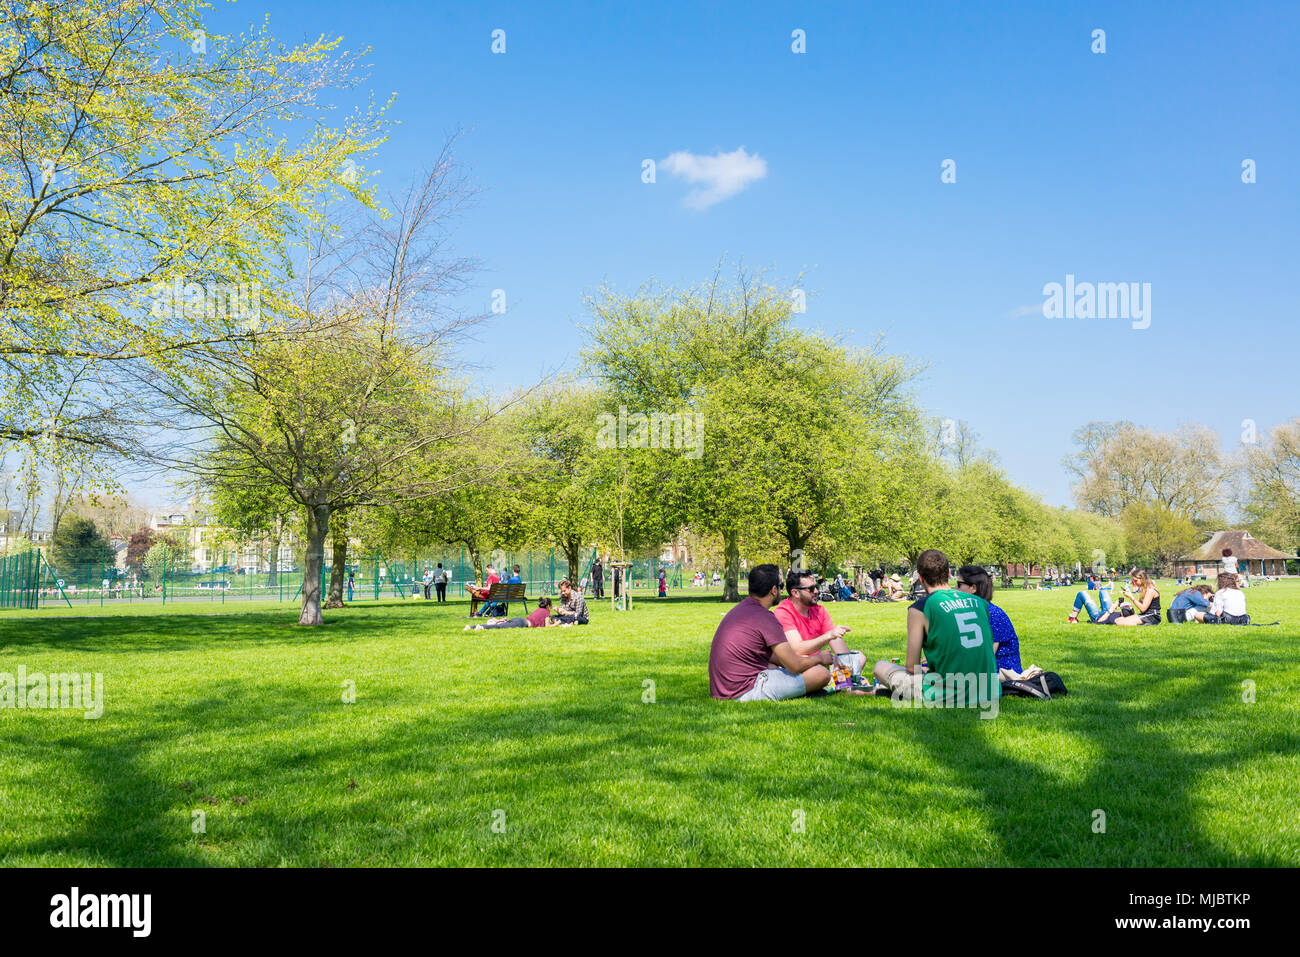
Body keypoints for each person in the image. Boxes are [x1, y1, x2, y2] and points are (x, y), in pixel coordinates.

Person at [872, 549, 999, 707]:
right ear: (948, 572)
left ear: (920, 577)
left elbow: (912, 666)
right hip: (989, 691)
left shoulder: (919, 608)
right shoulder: (978, 602)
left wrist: (925, 673)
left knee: (880, 667)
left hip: (950, 694)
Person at [709, 563, 832, 701]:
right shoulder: (765, 617)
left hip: (722, 689)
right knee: (821, 674)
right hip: (745, 690)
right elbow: (795, 666)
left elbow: (773, 657)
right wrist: (820, 658)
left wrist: (804, 660)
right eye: (781, 587)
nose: (781, 591)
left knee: (783, 665)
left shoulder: (741, 610)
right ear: (773, 590)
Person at [773, 569, 864, 677]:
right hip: (797, 664)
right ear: (795, 593)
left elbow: (840, 649)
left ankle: (837, 679)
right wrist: (828, 636)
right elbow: (797, 649)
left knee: (858, 657)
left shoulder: (819, 610)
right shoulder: (783, 612)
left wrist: (847, 663)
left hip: (819, 662)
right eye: (811, 589)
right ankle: (833, 679)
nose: (816, 591)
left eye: (816, 587)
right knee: (808, 662)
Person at [955, 565, 1022, 673]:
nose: (955, 589)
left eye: (959, 585)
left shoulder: (994, 614)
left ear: (973, 588)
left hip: (1001, 671)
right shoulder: (970, 612)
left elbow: (987, 656)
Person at [1095, 570, 1161, 626]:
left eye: (1136, 581)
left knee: (1120, 622)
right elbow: (1142, 608)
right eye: (1133, 581)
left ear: (1142, 579)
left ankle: (1142, 624)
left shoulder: (1150, 590)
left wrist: (1131, 597)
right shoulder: (1145, 589)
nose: (1134, 583)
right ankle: (1139, 623)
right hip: (1146, 614)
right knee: (1118, 620)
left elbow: (1143, 608)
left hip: (1152, 616)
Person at [464, 597, 563, 630]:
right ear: (548, 607)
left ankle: (472, 627)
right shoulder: (546, 612)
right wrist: (556, 624)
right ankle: (480, 627)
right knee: (500, 627)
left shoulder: (538, 610)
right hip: (522, 623)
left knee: (500, 625)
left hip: (519, 620)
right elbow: (547, 626)